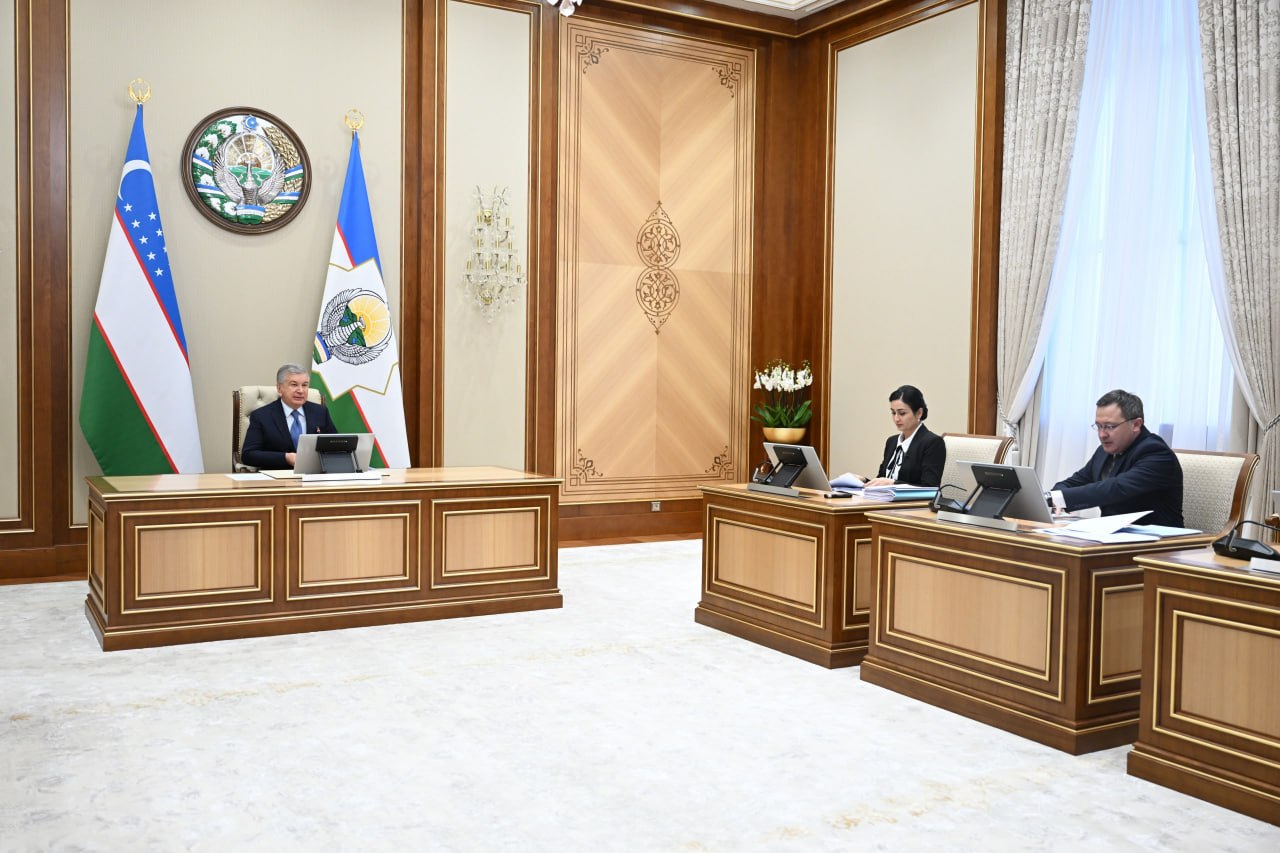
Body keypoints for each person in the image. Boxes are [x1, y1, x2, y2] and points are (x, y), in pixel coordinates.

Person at [1050, 389, 1184, 527]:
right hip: (1112, 535)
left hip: (1158, 538)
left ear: (1136, 424)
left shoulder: (1156, 452)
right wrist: (1053, 497)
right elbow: (1074, 482)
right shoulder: (1104, 451)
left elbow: (1116, 488)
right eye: (1099, 426)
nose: (1102, 434)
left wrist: (1062, 498)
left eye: (1110, 426)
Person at [241, 363, 337, 469]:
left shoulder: (320, 412)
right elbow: (248, 455)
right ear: (279, 388)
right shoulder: (261, 416)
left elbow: (337, 446)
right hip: (277, 475)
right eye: (294, 385)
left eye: (304, 385)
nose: (300, 391)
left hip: (314, 474)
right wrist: (285, 458)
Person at [864, 385, 945, 487]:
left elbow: (930, 487)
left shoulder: (932, 443)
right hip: (886, 496)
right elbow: (882, 479)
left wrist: (894, 484)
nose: (896, 419)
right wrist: (864, 481)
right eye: (893, 413)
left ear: (919, 413)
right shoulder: (892, 441)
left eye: (902, 413)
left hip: (916, 498)